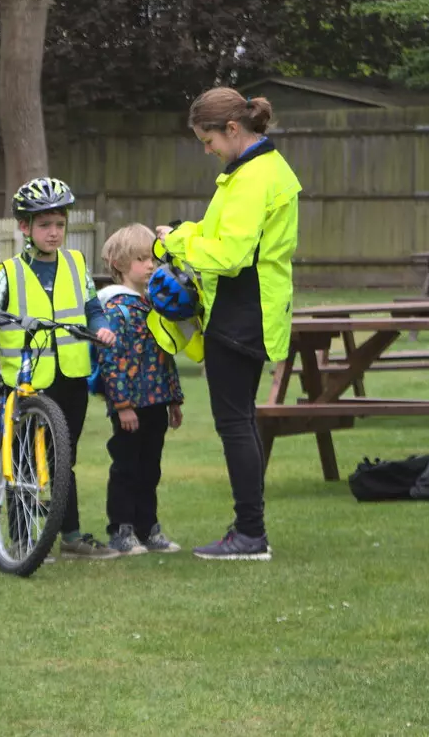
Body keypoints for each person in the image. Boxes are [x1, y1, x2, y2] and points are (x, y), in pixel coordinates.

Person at [155, 87, 301, 561]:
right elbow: (221, 234)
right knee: (240, 421)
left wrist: (177, 245)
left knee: (235, 423)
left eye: (208, 139)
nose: (207, 149)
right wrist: (180, 234)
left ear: (233, 129)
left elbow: (231, 254)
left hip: (242, 310)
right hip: (250, 307)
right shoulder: (254, 170)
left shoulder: (253, 177)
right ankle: (247, 527)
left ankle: (250, 534)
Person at [0, 177, 118, 560]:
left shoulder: (76, 264)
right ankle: (22, 541)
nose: (54, 233)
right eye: (44, 225)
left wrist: (102, 327)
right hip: (24, 379)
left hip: (70, 376)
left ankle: (71, 536)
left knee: (64, 459)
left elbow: (92, 307)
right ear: (25, 227)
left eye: (59, 224)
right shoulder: (10, 271)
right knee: (23, 460)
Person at [93, 224, 187, 556]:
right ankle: (121, 529)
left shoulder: (153, 304)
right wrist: (122, 405)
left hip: (156, 403)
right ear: (119, 264)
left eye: (152, 258)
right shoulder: (115, 308)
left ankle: (148, 528)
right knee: (126, 467)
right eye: (140, 259)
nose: (149, 265)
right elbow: (112, 360)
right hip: (130, 407)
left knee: (151, 468)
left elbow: (166, 355)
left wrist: (174, 398)